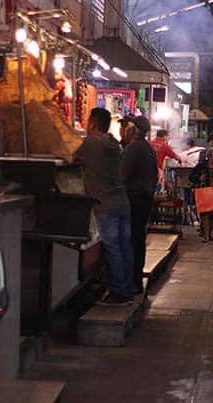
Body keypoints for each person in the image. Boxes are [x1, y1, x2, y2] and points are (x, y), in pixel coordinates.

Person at [75, 108, 134, 306]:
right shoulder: (114, 144)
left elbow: (68, 155)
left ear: (92, 122)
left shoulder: (90, 143)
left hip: (105, 204)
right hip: (122, 202)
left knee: (112, 248)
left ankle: (119, 292)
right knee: (124, 247)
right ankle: (128, 288)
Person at [120, 115, 157, 294]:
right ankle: (135, 278)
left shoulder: (134, 148)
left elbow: (122, 175)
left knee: (133, 239)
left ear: (134, 130)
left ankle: (132, 281)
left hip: (134, 198)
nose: (125, 129)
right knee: (138, 238)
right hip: (145, 198)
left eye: (127, 126)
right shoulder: (147, 148)